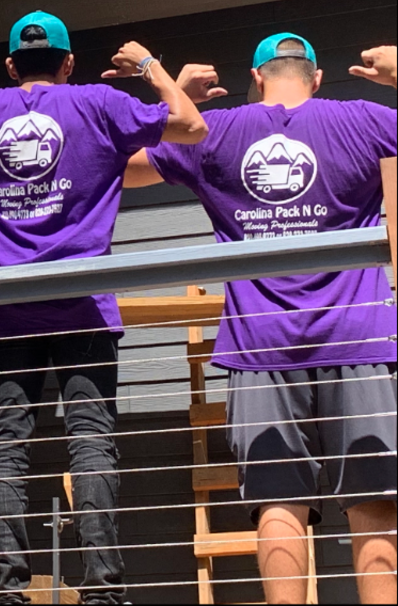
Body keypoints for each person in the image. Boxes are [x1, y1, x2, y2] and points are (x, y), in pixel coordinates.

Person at [0, 11, 208, 605]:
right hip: (83, 306)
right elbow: (190, 127)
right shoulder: (98, 103)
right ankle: (102, 593)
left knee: (7, 444)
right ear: (68, 63)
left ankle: (8, 593)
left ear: (11, 65)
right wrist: (148, 66)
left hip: (2, 311)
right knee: (91, 441)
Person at [124, 36, 397, 606]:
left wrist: (173, 97)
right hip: (360, 337)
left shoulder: (214, 130)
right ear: (316, 77)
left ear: (255, 76)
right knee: (375, 500)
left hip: (259, 346)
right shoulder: (364, 119)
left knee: (278, 501)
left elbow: (121, 167)